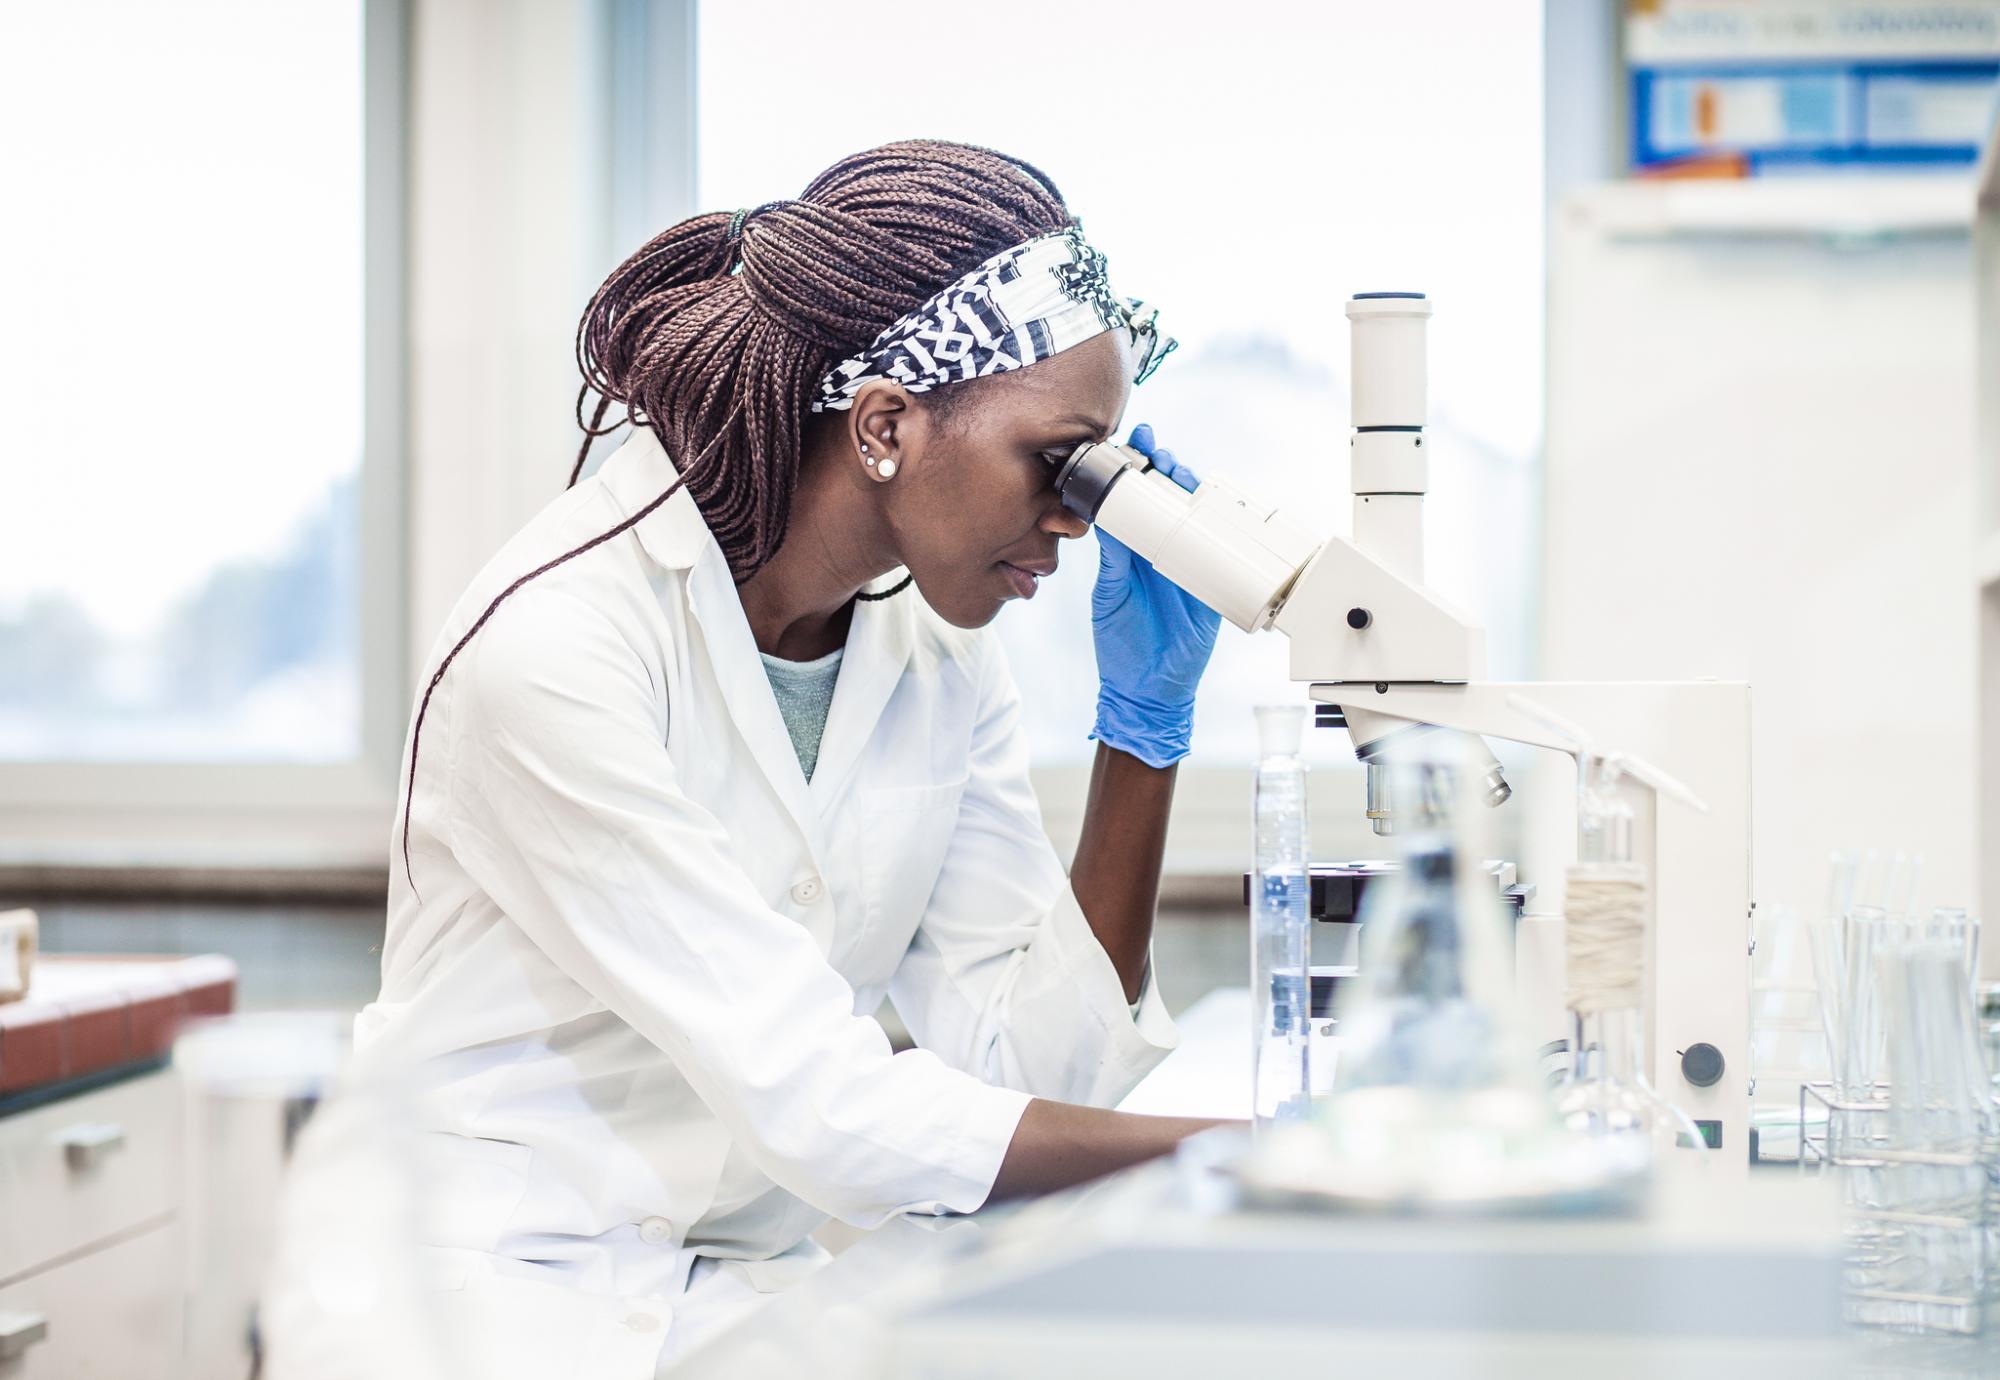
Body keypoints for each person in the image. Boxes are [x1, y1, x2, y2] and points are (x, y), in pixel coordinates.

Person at [352, 140, 1224, 1377]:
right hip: (483, 1298)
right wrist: (1256, 1154)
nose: (1079, 518)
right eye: (1056, 460)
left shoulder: (931, 643)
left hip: (738, 1290)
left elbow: (1022, 1071)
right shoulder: (556, 647)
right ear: (883, 427)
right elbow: (824, 1107)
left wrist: (1139, 745)